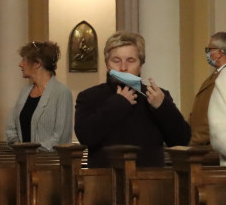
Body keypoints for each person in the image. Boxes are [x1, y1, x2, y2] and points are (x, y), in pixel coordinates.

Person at [75, 31, 190, 168]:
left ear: (140, 64)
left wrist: (163, 107)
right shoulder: (89, 96)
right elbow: (85, 137)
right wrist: (117, 105)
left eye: (130, 60)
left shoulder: (156, 96)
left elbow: (181, 140)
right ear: (107, 64)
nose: (123, 68)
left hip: (150, 178)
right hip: (103, 178)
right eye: (116, 60)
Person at [4, 40, 73, 151]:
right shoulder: (24, 92)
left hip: (49, 159)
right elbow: (11, 129)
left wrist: (32, 151)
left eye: (24, 60)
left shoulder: (62, 93)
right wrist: (19, 148)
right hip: (22, 158)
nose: (20, 64)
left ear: (37, 64)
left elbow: (60, 137)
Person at [189, 32, 226, 147]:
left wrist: (193, 141)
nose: (207, 53)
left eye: (209, 49)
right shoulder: (214, 76)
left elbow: (212, 117)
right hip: (199, 141)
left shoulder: (223, 78)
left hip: (208, 146)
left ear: (219, 53)